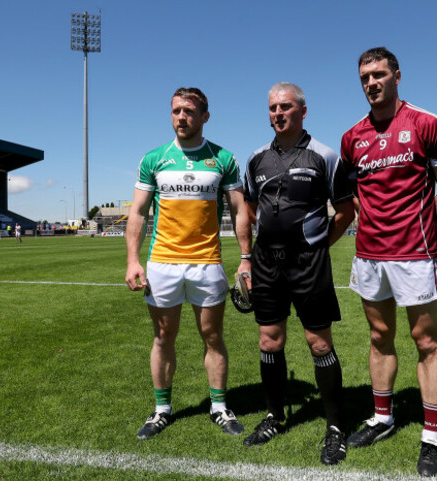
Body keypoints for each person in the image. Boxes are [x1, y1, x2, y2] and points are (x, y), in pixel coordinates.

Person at [340, 47, 437, 477]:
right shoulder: (352, 137)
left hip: (415, 254)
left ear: (397, 75)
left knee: (425, 340)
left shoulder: (427, 123)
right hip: (370, 255)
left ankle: (431, 437)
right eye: (364, 78)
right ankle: (383, 418)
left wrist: (420, 229)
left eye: (378, 74)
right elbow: (355, 195)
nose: (371, 83)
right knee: (379, 335)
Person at [125, 87, 252, 440]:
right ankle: (162, 410)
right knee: (164, 337)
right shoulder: (154, 158)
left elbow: (241, 211)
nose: (182, 117)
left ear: (204, 116)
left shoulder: (223, 158)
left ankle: (219, 407)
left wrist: (245, 259)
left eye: (189, 111)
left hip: (207, 262)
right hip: (162, 263)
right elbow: (136, 213)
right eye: (176, 111)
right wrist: (133, 260)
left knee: (212, 336)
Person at [240, 82, 355, 465]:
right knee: (269, 341)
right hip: (266, 262)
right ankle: (274, 414)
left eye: (285, 107)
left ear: (303, 111)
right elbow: (251, 209)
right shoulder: (255, 158)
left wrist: (318, 244)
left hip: (309, 263)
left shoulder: (325, 156)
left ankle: (336, 426)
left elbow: (344, 211)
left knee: (319, 344)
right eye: (272, 107)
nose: (278, 113)